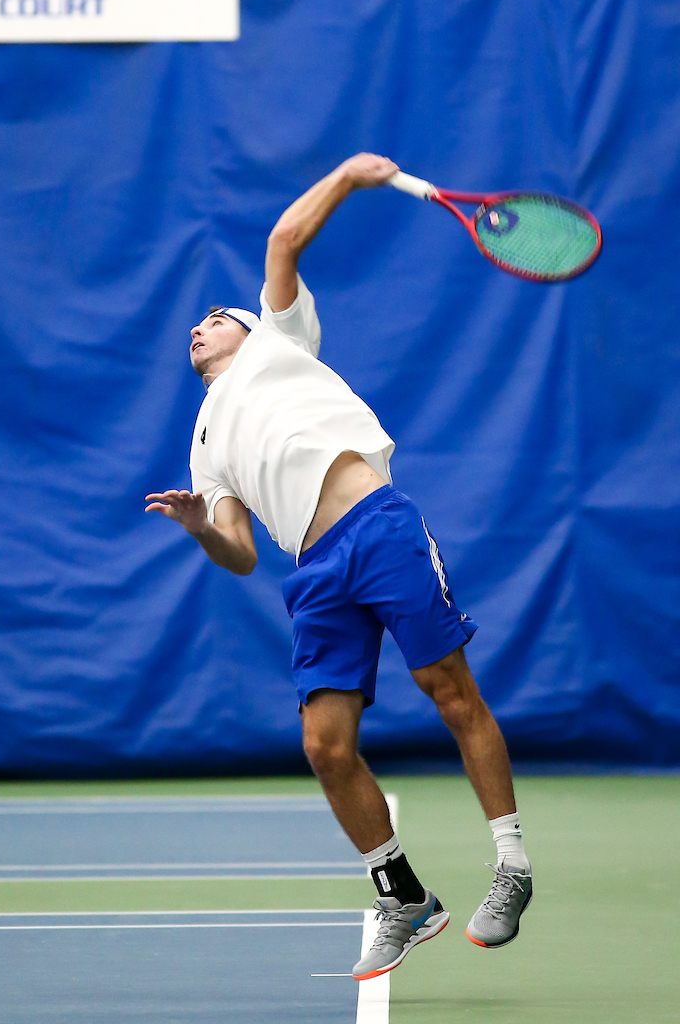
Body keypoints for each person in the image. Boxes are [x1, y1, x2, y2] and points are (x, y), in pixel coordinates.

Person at [145, 153, 533, 979]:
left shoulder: (279, 338)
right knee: (324, 745)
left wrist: (352, 175)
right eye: (194, 327)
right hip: (315, 569)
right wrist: (200, 528)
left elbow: (284, 239)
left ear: (249, 327)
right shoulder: (204, 443)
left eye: (214, 318)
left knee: (448, 690)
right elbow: (240, 553)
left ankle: (512, 865)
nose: (198, 329)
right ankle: (405, 899)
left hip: (377, 526)